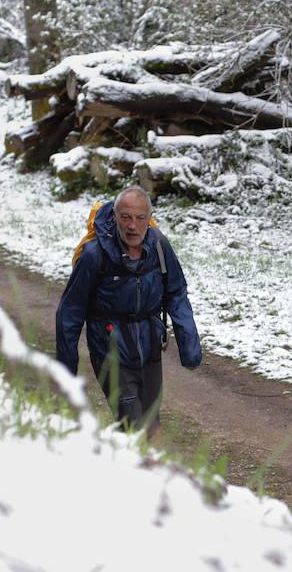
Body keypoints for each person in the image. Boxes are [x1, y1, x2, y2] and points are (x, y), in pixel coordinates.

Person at [56, 185, 202, 437]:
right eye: (125, 217)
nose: (132, 225)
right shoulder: (95, 255)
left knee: (150, 424)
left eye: (139, 218)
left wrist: (189, 347)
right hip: (109, 352)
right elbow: (70, 312)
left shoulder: (159, 247)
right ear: (115, 217)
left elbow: (176, 293)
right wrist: (66, 370)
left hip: (149, 348)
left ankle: (123, 471)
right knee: (135, 427)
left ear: (149, 219)